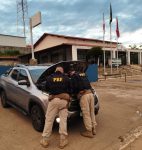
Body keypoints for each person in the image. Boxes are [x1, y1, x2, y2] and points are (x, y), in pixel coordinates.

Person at [40, 66, 71, 149]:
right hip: (64, 101)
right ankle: (62, 141)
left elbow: (45, 88)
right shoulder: (66, 78)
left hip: (53, 100)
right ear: (62, 71)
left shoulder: (49, 78)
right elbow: (70, 89)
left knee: (49, 120)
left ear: (55, 71)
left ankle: (45, 140)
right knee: (63, 120)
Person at [69, 68, 97, 138]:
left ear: (70, 73)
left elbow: (73, 87)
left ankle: (89, 131)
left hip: (84, 96)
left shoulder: (74, 76)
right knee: (91, 112)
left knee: (86, 114)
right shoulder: (83, 74)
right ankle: (94, 128)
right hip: (91, 94)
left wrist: (73, 94)